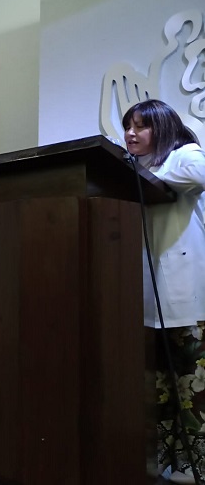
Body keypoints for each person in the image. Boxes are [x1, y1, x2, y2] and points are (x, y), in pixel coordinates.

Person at [122, 99, 205, 484]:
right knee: (157, 388)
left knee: (190, 385)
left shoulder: (184, 155)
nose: (131, 133)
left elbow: (200, 175)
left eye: (141, 126)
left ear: (163, 128)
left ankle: (196, 465)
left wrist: (148, 172)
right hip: (145, 296)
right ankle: (161, 458)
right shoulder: (134, 170)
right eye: (128, 126)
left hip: (186, 293)